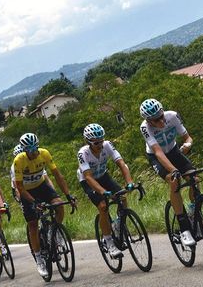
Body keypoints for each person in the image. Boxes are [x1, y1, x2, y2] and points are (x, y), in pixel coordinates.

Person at [13, 132, 77, 277]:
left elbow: (57, 175)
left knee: (59, 204)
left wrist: (68, 195)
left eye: (35, 148)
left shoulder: (44, 154)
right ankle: (39, 259)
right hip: (27, 192)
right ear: (24, 150)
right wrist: (34, 202)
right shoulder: (19, 161)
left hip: (41, 186)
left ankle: (55, 231)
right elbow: (20, 188)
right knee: (33, 225)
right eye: (30, 150)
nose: (34, 152)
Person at [139, 98, 196, 247]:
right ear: (149, 121)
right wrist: (173, 170)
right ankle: (184, 228)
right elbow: (158, 152)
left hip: (173, 150)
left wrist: (188, 144)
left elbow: (187, 136)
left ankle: (193, 212)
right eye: (156, 119)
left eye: (161, 115)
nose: (161, 120)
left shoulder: (172, 116)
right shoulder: (145, 128)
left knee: (194, 179)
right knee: (174, 181)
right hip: (157, 157)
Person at [77, 123, 135, 259]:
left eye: (101, 141)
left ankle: (119, 225)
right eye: (96, 143)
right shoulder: (83, 153)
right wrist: (103, 192)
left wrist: (129, 182)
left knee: (122, 197)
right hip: (88, 180)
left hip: (103, 175)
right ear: (89, 142)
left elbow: (121, 163)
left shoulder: (107, 145)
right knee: (103, 207)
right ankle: (109, 242)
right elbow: (88, 177)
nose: (100, 145)